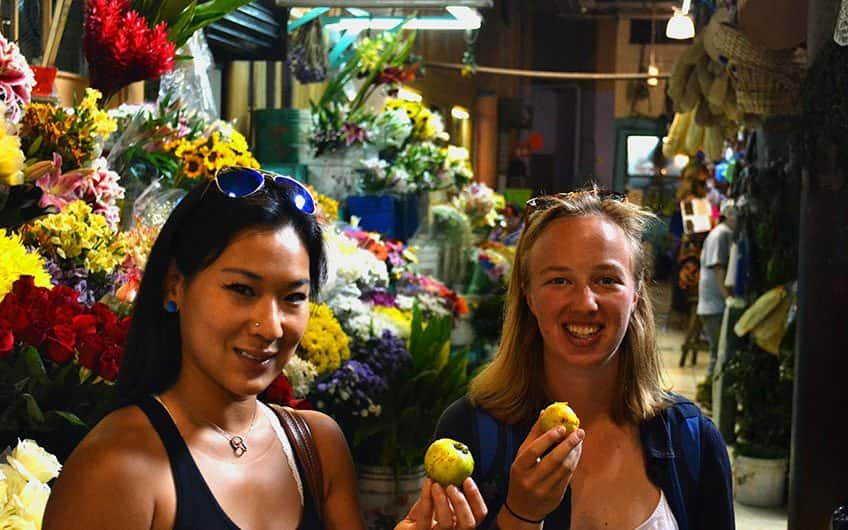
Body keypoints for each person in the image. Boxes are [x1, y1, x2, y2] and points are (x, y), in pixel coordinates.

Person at [43, 167, 487, 530]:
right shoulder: (117, 469)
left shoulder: (316, 447)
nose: (270, 326)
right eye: (241, 289)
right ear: (175, 285)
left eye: (293, 297)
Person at [434, 188, 734, 529]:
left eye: (606, 280)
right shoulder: (470, 434)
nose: (585, 303)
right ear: (528, 295)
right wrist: (520, 515)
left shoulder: (692, 440)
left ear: (636, 293)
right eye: (559, 280)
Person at [697, 199, 737, 381]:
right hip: (715, 304)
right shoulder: (721, 234)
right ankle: (709, 395)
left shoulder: (725, 234)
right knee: (718, 352)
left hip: (715, 303)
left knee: (719, 351)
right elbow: (718, 267)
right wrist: (728, 298)